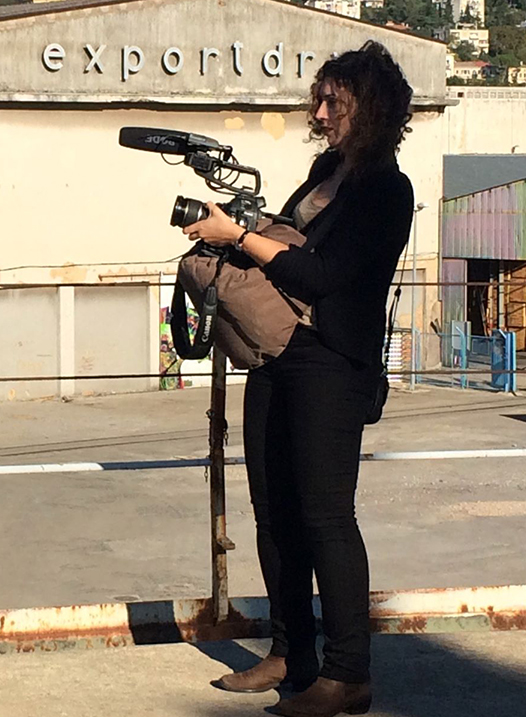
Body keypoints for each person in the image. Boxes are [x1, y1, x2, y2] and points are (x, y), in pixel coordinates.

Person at [182, 41, 415, 717]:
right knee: (274, 512)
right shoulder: (326, 171)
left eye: (332, 103)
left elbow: (321, 276)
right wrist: (237, 230)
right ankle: (291, 654)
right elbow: (286, 242)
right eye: (319, 101)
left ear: (369, 108)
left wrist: (239, 238)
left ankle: (348, 674)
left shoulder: (386, 189)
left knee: (326, 518)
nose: (318, 114)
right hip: (277, 354)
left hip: (333, 362)